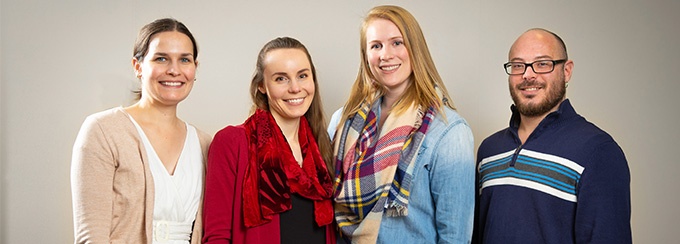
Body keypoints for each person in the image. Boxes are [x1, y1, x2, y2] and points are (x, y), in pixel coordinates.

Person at [328, 5, 475, 243]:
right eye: (376, 45)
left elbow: (455, 236)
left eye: (397, 42)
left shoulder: (449, 131)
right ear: (366, 56)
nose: (386, 55)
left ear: (415, 48)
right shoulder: (343, 122)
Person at [474, 28, 632, 243]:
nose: (528, 75)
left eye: (542, 64)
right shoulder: (490, 151)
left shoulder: (598, 151)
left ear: (566, 71)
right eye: (518, 65)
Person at [70, 18, 210, 244]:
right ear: (138, 66)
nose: (174, 70)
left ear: (194, 69)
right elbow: (91, 236)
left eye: (184, 59)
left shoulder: (205, 144)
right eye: (161, 58)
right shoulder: (103, 131)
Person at [202, 37, 335, 244]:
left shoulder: (321, 145)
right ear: (262, 86)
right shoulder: (231, 143)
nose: (295, 88)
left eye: (302, 76)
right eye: (281, 79)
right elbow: (216, 236)